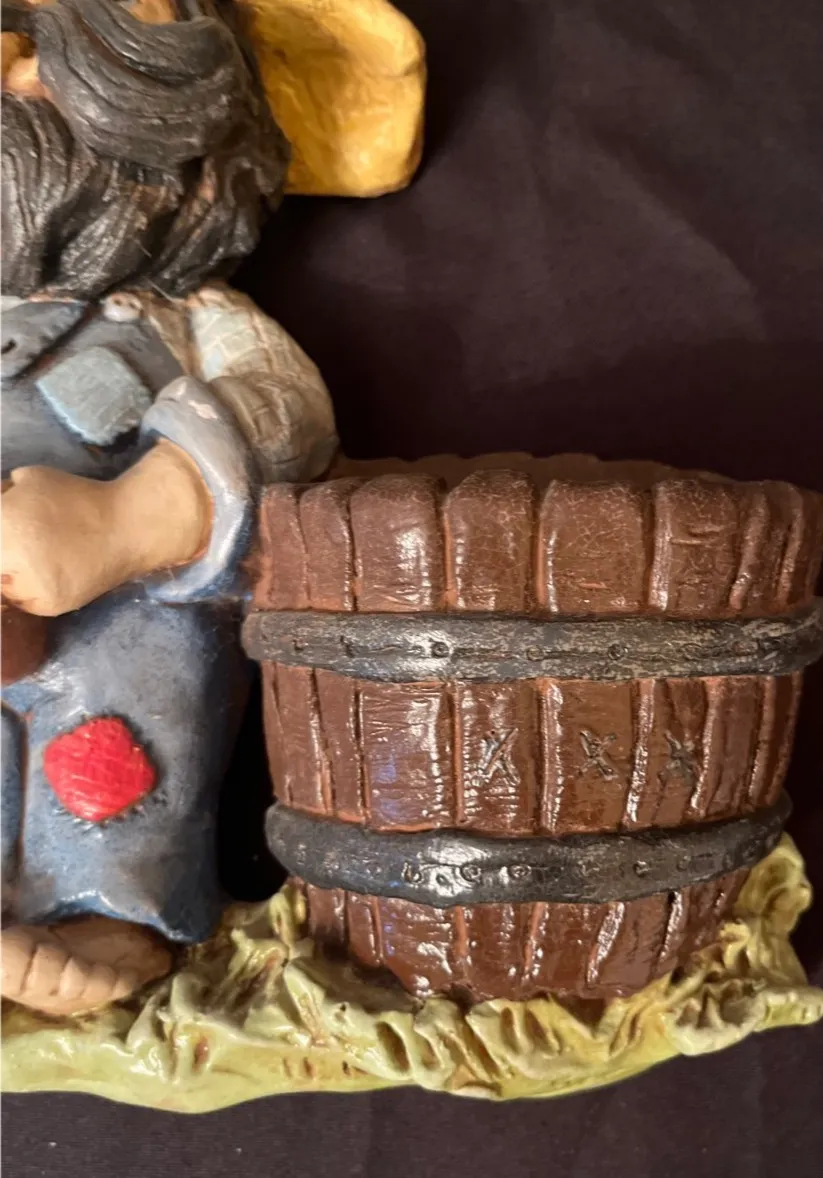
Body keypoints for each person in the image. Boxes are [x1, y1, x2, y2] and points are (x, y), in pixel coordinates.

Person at [0, 0, 337, 1015]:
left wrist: (132, 519)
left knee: (127, 690)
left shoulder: (191, 323)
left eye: (23, 58)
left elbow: (285, 418)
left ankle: (103, 907)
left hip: (121, 602)